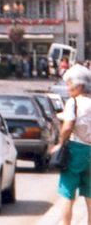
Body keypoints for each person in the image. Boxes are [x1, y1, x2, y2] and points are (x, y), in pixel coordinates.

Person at [51, 64, 91, 224]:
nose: (67, 88)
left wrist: (60, 143)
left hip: (75, 150)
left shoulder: (73, 103)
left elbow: (68, 126)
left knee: (68, 193)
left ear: (79, 85)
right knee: (90, 194)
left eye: (69, 84)